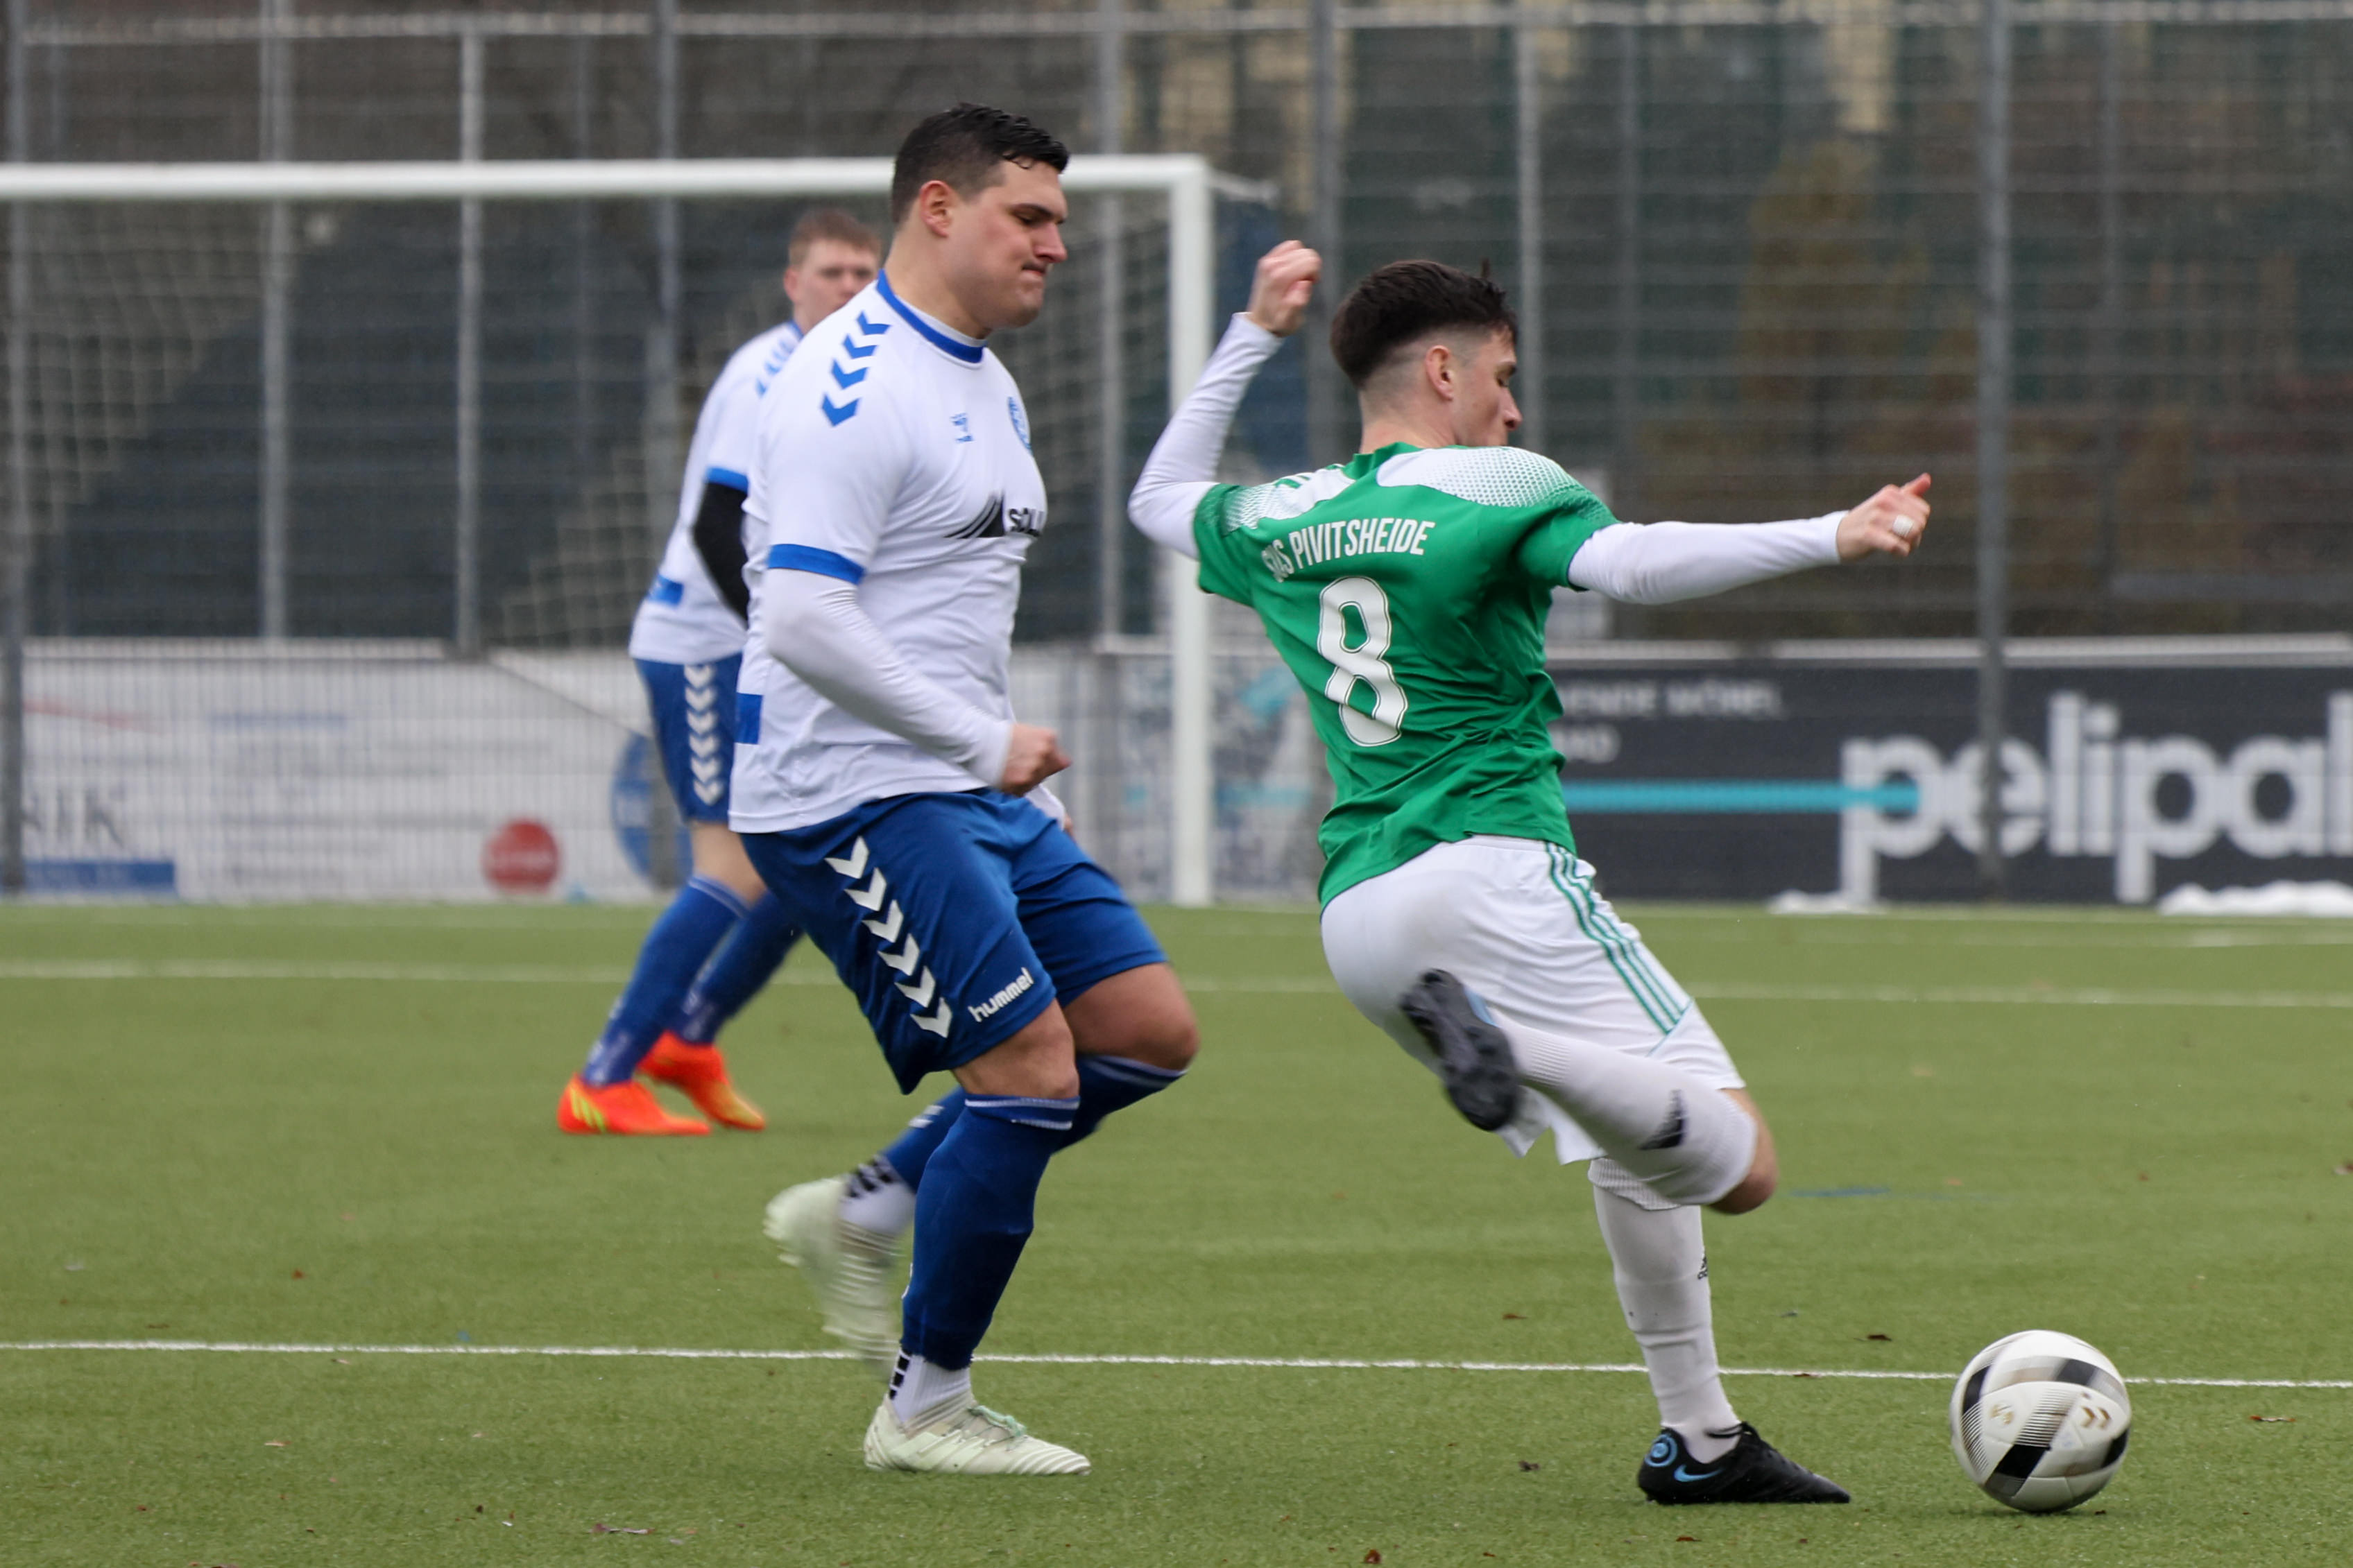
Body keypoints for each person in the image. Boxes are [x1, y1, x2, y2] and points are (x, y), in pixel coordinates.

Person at [1127, 246, 1933, 1506]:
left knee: (1629, 1136)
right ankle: (1508, 1046)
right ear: (1444, 371)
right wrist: (1835, 532)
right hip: (1491, 871)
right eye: (1502, 376)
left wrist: (1251, 332)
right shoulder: (1495, 482)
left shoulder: (1284, 513)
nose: (1513, 407)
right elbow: (1636, 563)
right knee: (1743, 1162)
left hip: (1359, 916)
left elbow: (1158, 497)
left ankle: (1701, 1438)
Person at [733, 104, 1198, 1476]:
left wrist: (1001, 776)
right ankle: (924, 1408)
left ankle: (870, 1207)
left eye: (1060, 220)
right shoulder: (847, 385)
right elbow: (801, 617)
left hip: (965, 782)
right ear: (938, 208)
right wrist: (977, 741)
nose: (1057, 244)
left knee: (1144, 1030)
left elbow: (944, 604)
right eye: (1029, 217)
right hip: (853, 790)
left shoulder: (985, 378)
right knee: (1030, 1070)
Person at [558, 208, 882, 1137]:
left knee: (801, 866)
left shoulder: (854, 377)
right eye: (832, 272)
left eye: (864, 273)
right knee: (733, 865)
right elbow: (714, 528)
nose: (849, 288)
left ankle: (688, 1041)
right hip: (702, 645)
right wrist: (793, 640)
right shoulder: (766, 374)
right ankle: (602, 1077)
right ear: (793, 283)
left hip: (760, 647)